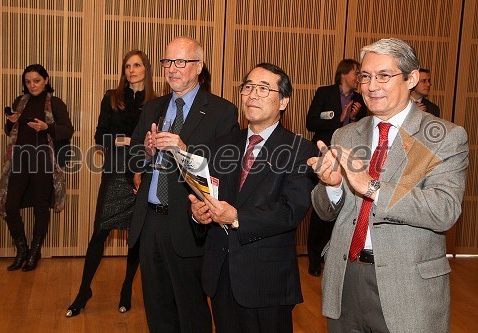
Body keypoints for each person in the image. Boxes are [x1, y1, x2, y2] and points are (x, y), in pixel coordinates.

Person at [308, 38, 468, 332]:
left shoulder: (442, 136)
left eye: (383, 75)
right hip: (345, 279)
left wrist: (371, 186)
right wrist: (331, 186)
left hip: (408, 288)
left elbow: (444, 210)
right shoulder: (346, 136)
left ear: (411, 79)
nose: (371, 86)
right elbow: (325, 213)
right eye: (365, 77)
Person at [189, 63, 317, 333]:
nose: (253, 95)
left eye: (263, 88)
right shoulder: (224, 143)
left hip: (267, 281)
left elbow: (290, 210)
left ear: (283, 101)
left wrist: (236, 217)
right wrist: (199, 214)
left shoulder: (298, 148)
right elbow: (210, 194)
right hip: (221, 273)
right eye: (248, 87)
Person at [129, 36, 239, 333]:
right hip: (150, 221)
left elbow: (224, 169)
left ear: (199, 66)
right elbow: (134, 158)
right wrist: (147, 151)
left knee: (191, 311)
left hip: (190, 223)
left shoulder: (221, 111)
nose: (172, 69)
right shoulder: (153, 108)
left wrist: (184, 150)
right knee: (157, 308)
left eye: (181, 62)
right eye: (167, 62)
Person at [65, 50, 156, 317]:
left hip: (142, 172)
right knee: (98, 235)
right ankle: (83, 291)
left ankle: (127, 288)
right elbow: (100, 136)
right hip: (115, 171)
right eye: (127, 66)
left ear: (146, 69)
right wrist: (128, 140)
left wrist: (134, 142)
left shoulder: (155, 103)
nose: (131, 70)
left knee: (135, 238)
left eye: (137, 65)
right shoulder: (112, 98)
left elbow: (156, 140)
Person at [0, 64, 74, 271]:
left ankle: (34, 251)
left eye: (37, 80)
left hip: (43, 161)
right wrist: (11, 121)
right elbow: (9, 131)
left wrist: (46, 127)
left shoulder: (55, 103)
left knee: (40, 207)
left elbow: (67, 130)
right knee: (10, 205)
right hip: (19, 159)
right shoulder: (19, 102)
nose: (32, 85)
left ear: (46, 80)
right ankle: (21, 249)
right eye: (28, 81)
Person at [305, 59, 367, 276]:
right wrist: (338, 120)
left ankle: (329, 254)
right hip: (324, 154)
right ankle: (314, 256)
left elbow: (364, 129)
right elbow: (310, 122)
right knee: (322, 205)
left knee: (345, 206)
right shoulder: (325, 93)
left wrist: (352, 117)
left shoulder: (361, 99)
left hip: (350, 158)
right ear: (344, 73)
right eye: (356, 73)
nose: (358, 78)